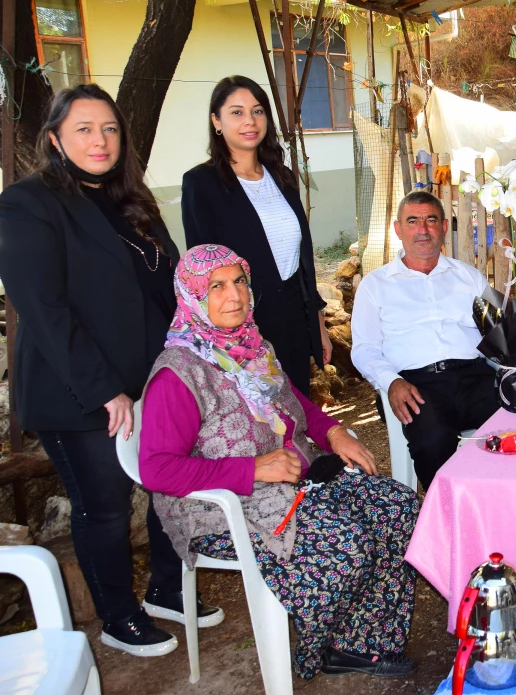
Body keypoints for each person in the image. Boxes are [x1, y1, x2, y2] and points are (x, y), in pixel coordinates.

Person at [0, 84, 222, 656]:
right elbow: (44, 311)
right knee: (104, 504)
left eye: (109, 129)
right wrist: (106, 392)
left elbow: (167, 290)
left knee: (171, 482)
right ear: (54, 138)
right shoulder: (28, 203)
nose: (99, 140)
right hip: (76, 390)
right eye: (83, 129)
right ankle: (118, 617)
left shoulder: (132, 199)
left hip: (152, 380)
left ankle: (168, 590)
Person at [139, 244, 420, 680]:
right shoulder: (178, 374)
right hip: (224, 508)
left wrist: (333, 431)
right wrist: (251, 469)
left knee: (399, 509)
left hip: (292, 482)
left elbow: (296, 404)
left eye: (239, 282)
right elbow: (157, 470)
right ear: (193, 295)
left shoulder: (252, 345)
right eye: (216, 287)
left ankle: (360, 639)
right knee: (346, 544)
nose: (234, 296)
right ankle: (320, 648)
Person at [182, 75, 329, 395]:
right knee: (261, 425)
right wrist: (227, 339)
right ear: (216, 121)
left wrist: (316, 321)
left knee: (298, 413)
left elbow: (300, 260)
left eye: (258, 110)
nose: (249, 121)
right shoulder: (201, 184)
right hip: (243, 325)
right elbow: (204, 272)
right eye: (236, 112)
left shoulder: (283, 177)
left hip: (292, 319)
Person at [351, 191, 498, 488]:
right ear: (398, 229)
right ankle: (445, 518)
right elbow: (364, 349)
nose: (423, 229)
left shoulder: (469, 276)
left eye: (431, 220)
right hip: (415, 384)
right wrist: (390, 382)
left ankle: (504, 505)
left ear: (444, 227)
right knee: (432, 440)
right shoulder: (375, 285)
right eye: (413, 221)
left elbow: (499, 331)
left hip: (474, 377)